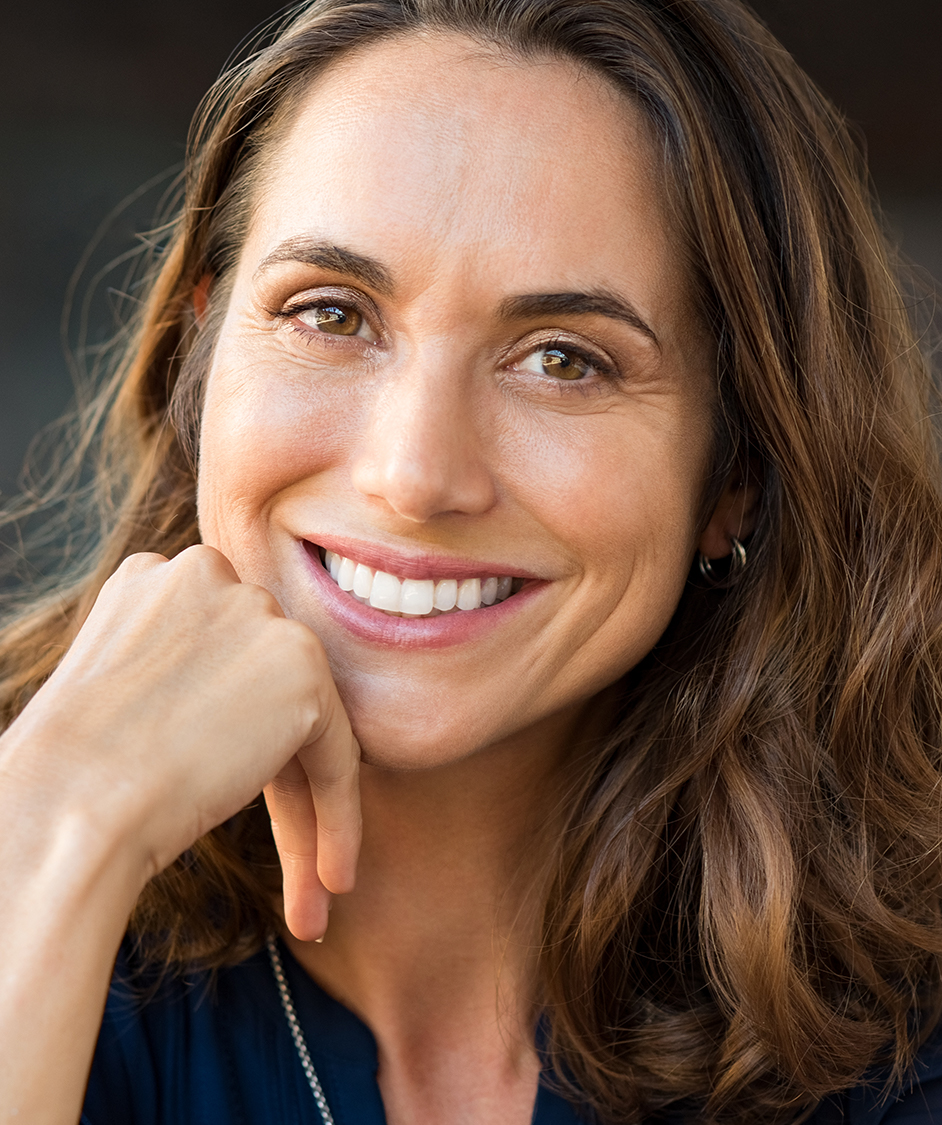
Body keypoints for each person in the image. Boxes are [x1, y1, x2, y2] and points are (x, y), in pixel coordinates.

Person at [2, 0, 942, 1122]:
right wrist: (58, 824)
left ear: (735, 473)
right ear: (204, 361)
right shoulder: (45, 848)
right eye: (332, 314)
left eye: (562, 359)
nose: (415, 474)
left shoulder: (901, 1036)